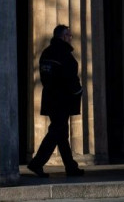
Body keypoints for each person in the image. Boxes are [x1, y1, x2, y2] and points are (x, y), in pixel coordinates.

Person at [26, 24, 85, 178]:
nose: (71, 38)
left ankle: (71, 167)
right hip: (62, 100)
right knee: (56, 133)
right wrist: (78, 91)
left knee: (61, 134)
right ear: (63, 37)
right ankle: (36, 163)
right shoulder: (63, 54)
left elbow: (46, 77)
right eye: (69, 35)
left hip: (51, 99)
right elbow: (70, 78)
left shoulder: (47, 53)